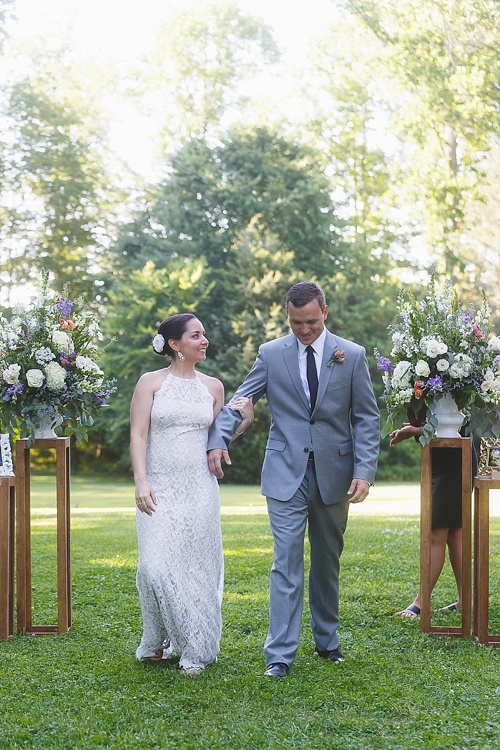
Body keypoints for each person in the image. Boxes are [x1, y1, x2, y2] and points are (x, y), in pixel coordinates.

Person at [207, 281, 380, 678]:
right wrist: (217, 440)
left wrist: (364, 471)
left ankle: (327, 641)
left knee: (326, 561)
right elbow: (240, 401)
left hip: (335, 474)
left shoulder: (351, 355)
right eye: (295, 322)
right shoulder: (271, 354)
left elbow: (366, 418)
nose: (303, 330)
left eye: (311, 322)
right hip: (285, 471)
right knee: (285, 561)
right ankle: (279, 655)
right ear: (287, 315)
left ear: (325, 313)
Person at [130, 313, 253, 676]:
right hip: (159, 487)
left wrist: (244, 420)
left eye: (204, 334)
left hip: (200, 489)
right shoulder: (150, 383)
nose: (204, 341)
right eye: (195, 335)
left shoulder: (213, 387)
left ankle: (194, 647)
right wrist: (140, 480)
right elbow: (138, 435)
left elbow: (217, 438)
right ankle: (159, 636)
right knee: (155, 566)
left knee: (196, 569)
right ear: (174, 344)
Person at [390, 419, 473, 617]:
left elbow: (456, 424)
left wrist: (416, 430)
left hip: (455, 458)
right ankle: (466, 600)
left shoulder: (462, 388)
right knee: (455, 534)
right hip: (444, 457)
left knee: (437, 533)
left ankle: (421, 601)